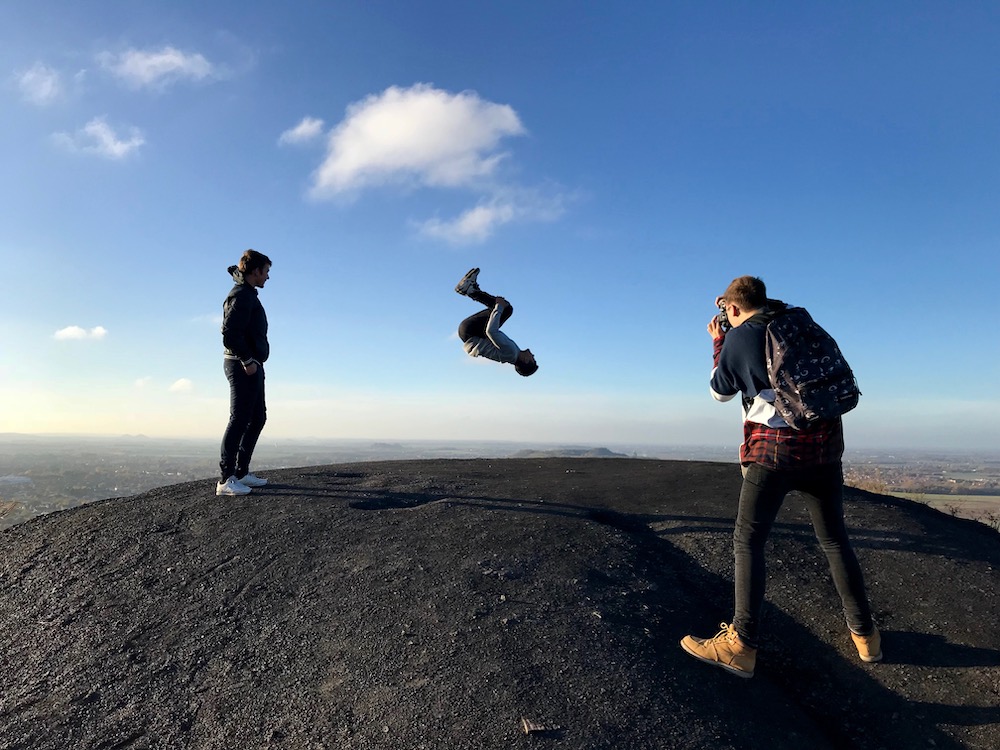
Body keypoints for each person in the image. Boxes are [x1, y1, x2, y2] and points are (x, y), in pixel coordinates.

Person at [680, 275, 880, 678]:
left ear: (732, 309)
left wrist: (719, 342)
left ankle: (741, 645)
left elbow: (720, 392)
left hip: (773, 452)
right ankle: (865, 636)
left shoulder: (741, 336)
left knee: (749, 542)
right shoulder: (797, 322)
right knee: (834, 540)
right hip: (824, 447)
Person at [217, 249, 272, 496]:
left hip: (252, 364)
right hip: (242, 365)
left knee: (257, 417)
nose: (267, 276)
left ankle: (241, 473)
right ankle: (226, 479)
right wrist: (247, 360)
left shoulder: (248, 294)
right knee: (239, 418)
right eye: (266, 271)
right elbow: (229, 332)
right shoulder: (240, 295)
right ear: (255, 271)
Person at [454, 268, 538, 377]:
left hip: (471, 331)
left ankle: (470, 290)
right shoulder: (511, 355)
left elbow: (491, 331)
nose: (533, 355)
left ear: (526, 360)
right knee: (504, 309)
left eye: (533, 359)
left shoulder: (511, 352)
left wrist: (499, 306)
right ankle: (472, 290)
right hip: (470, 333)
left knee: (506, 309)